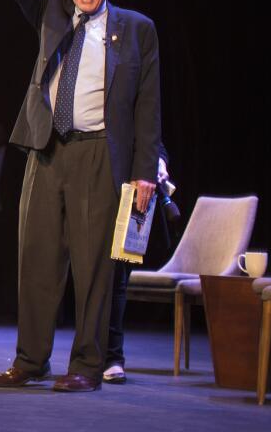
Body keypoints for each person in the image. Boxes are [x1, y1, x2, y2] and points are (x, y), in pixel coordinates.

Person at [0, 0, 161, 393]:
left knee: (95, 268)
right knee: (37, 258)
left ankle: (86, 365)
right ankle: (30, 362)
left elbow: (149, 107)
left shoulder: (137, 30)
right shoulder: (54, 8)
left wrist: (144, 172)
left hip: (101, 156)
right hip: (47, 149)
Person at [103, 144, 170, 383]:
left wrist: (159, 162)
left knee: (117, 276)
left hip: (125, 190)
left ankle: (112, 357)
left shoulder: (129, 105)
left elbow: (151, 137)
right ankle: (87, 354)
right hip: (88, 185)